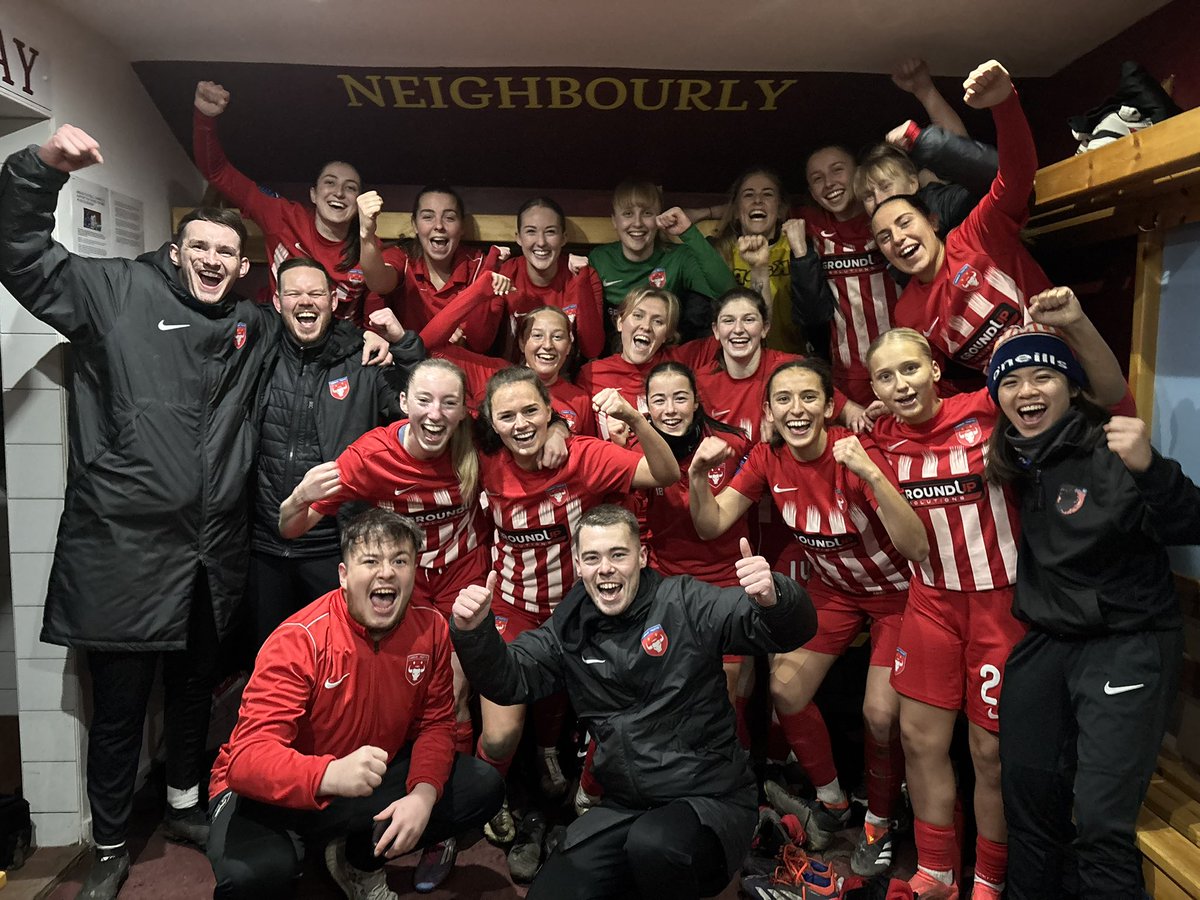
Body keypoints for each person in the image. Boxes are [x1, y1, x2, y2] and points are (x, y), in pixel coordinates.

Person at [0, 125, 279, 900]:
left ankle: (184, 805)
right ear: (178, 249)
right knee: (121, 710)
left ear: (244, 266)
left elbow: (316, 337)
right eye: (202, 247)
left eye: (228, 252)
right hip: (122, 552)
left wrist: (385, 348)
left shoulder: (252, 326)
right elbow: (20, 255)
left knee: (193, 693)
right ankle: (110, 843)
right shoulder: (115, 291)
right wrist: (41, 168)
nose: (213, 261)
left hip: (209, 556)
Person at [864, 286, 1129, 900]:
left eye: (910, 368)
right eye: (885, 376)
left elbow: (1106, 389)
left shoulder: (989, 405)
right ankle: (936, 872)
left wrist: (1072, 327)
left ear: (935, 369)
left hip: (1002, 605)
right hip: (930, 603)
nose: (901, 384)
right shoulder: (878, 437)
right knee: (918, 740)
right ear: (873, 388)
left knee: (990, 751)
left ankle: (988, 877)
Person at [450, 504, 817, 900]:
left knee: (654, 845)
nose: (605, 568)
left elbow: (786, 630)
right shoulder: (568, 627)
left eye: (618, 554)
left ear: (642, 557)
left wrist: (775, 598)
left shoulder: (684, 602)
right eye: (592, 558)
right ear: (578, 565)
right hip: (626, 804)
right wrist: (474, 633)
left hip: (709, 796)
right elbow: (510, 679)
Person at [983, 293, 1187, 899]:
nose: (1026, 391)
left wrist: (1151, 469)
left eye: (1043, 376)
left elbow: (1190, 522)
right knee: (1027, 803)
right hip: (1047, 642)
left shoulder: (1110, 446)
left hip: (1126, 641)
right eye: (1011, 381)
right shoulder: (1014, 457)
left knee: (1099, 824)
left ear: (1073, 388)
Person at [688, 358, 927, 876]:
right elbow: (711, 524)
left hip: (897, 595)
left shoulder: (854, 451)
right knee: (786, 690)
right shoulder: (766, 457)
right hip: (835, 591)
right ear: (769, 410)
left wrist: (869, 470)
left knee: (879, 715)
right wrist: (697, 476)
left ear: (828, 405)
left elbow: (917, 546)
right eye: (784, 399)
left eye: (808, 397)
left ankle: (880, 821)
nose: (796, 409)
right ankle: (832, 800)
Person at [206, 508, 505, 899]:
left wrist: (422, 796)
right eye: (371, 561)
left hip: (361, 779)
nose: (387, 573)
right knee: (256, 875)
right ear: (344, 575)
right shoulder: (299, 640)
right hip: (269, 792)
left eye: (400, 561)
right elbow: (246, 761)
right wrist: (328, 775)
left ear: (414, 571)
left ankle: (359, 860)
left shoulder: (431, 627)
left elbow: (436, 723)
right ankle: (304, 846)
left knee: (480, 786)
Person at [278, 357, 490, 887]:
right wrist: (299, 496)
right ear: (403, 403)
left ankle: (437, 825)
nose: (435, 414)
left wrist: (556, 433)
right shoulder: (372, 454)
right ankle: (377, 814)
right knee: (402, 699)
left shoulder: (476, 446)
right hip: (404, 587)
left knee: (455, 694)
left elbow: (533, 439)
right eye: (424, 400)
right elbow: (291, 527)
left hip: (460, 578)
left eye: (448, 403)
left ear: (463, 411)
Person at [471, 368, 679, 851]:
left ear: (550, 410)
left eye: (531, 411)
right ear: (491, 423)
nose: (521, 424)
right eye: (507, 416)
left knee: (580, 704)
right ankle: (485, 795)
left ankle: (555, 760)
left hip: (578, 611)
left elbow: (666, 474)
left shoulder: (582, 455)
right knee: (500, 736)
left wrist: (633, 419)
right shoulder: (481, 460)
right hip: (513, 608)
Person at [247, 257, 423, 651]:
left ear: (333, 300)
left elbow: (420, 405)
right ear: (277, 301)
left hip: (334, 546)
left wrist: (402, 345)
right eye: (294, 293)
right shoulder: (258, 353)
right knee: (269, 658)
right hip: (263, 547)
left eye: (315, 293)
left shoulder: (363, 359)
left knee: (338, 658)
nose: (305, 301)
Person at [870, 60, 1050, 384]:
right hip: (1011, 402)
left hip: (1067, 373)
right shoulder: (908, 312)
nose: (897, 238)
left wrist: (1004, 103)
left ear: (932, 221)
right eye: (884, 236)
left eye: (904, 222)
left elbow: (1017, 176)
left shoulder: (978, 235)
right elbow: (933, 382)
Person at [192, 81, 374, 323]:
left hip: (341, 341)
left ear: (359, 200)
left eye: (350, 187)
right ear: (313, 194)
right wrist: (205, 118)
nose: (339, 193)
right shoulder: (282, 217)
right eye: (330, 183)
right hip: (280, 334)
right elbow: (218, 173)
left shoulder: (369, 247)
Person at [422, 198, 606, 360]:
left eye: (550, 232)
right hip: (508, 375)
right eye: (531, 232)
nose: (541, 242)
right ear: (518, 238)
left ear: (563, 238)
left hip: (563, 378)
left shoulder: (584, 276)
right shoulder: (506, 272)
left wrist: (582, 283)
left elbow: (592, 349)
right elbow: (479, 342)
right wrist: (489, 271)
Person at [789, 145, 901, 405]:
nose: (829, 183)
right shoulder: (810, 223)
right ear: (812, 192)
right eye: (817, 178)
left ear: (859, 174)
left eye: (837, 170)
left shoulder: (890, 215)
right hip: (850, 373)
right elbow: (754, 207)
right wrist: (706, 212)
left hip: (906, 360)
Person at [587, 180, 736, 341]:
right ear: (614, 221)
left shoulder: (678, 257)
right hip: (613, 349)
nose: (637, 223)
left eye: (647, 213)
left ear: (658, 219)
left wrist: (688, 232)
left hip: (664, 347)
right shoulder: (600, 259)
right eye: (628, 214)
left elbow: (727, 293)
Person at [429, 305, 598, 436]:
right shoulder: (492, 373)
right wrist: (480, 289)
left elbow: (587, 451)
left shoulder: (580, 399)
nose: (547, 345)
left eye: (557, 337)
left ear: (568, 347)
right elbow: (432, 345)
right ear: (522, 343)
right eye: (537, 335)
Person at [357, 185, 501, 336]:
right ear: (415, 225)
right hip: (407, 350)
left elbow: (483, 334)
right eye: (428, 217)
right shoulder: (403, 257)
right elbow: (378, 283)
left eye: (449, 218)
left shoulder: (477, 264)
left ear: (462, 227)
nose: (439, 226)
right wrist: (366, 234)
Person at [707, 168, 808, 353]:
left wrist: (802, 254)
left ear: (780, 210)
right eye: (748, 195)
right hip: (739, 356)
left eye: (767, 194)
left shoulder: (795, 246)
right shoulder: (720, 252)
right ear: (736, 211)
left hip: (792, 356)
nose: (758, 200)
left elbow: (813, 311)